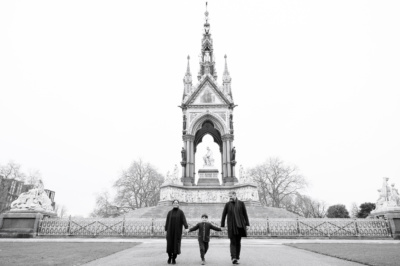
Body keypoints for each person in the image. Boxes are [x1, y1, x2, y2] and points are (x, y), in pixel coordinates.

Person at [220, 191, 249, 265]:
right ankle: (233, 258)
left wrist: (247, 224)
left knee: (238, 242)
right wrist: (222, 225)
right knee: (232, 242)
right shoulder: (227, 204)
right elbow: (223, 215)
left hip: (240, 225)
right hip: (231, 226)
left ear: (235, 195)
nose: (230, 198)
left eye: (231, 196)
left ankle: (237, 257)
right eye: (229, 197)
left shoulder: (241, 203)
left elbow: (245, 214)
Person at [165, 199, 189, 264]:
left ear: (178, 204)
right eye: (174, 203)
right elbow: (167, 221)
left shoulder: (181, 212)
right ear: (172, 204)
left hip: (177, 231)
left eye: (177, 203)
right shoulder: (169, 212)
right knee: (169, 245)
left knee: (176, 244)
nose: (175, 204)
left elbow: (184, 220)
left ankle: (174, 258)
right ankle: (170, 257)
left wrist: (186, 227)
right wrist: (166, 230)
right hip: (170, 231)